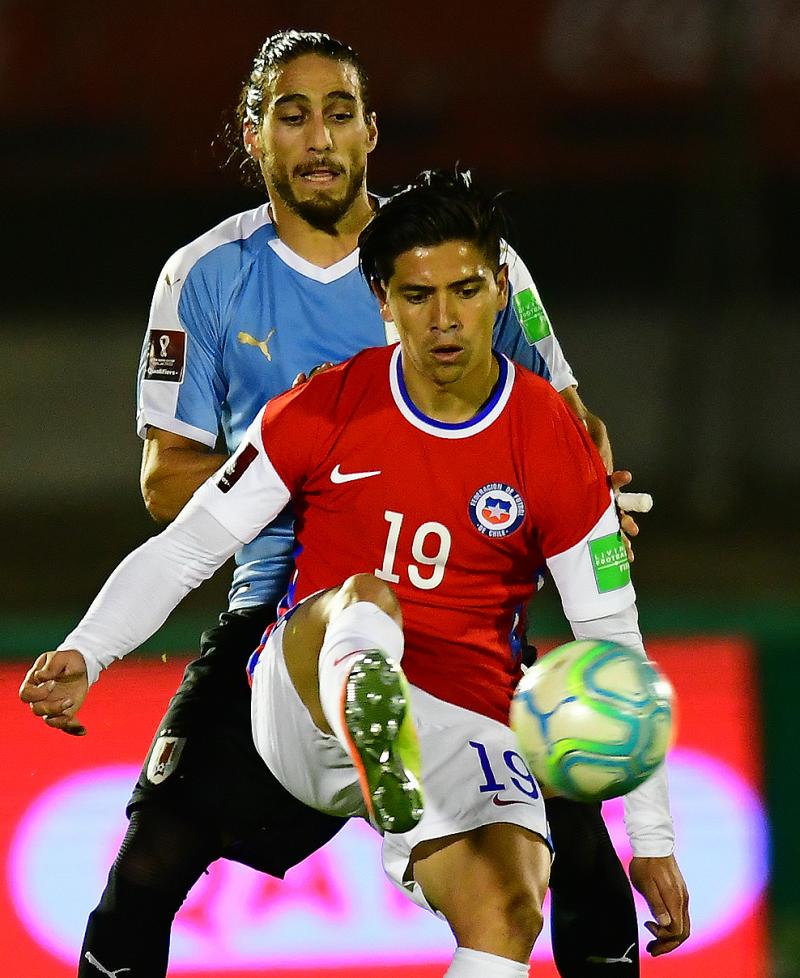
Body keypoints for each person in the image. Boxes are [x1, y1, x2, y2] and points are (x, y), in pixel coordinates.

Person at [18, 32, 685, 978]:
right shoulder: (218, 293)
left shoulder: (464, 259)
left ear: (373, 131)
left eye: (340, 114)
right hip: (286, 604)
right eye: (294, 116)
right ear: (254, 137)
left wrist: (586, 499)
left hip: (464, 616)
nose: (320, 138)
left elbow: (573, 430)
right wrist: (315, 477)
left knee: (563, 884)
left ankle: (411, 769)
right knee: (148, 863)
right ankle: (381, 744)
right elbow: (173, 492)